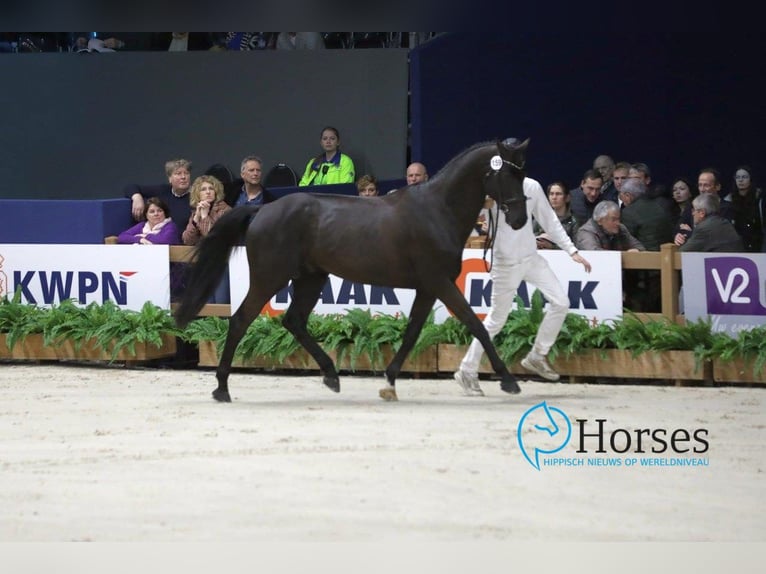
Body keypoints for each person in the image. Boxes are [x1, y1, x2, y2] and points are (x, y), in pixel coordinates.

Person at [453, 145, 592, 396]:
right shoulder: (492, 188)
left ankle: (537, 355)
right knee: (497, 319)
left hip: (531, 258)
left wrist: (572, 251)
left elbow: (549, 221)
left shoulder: (532, 187)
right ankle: (466, 369)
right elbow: (467, 206)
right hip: (505, 263)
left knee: (561, 302)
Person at [182, 175, 232, 303]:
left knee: (220, 303)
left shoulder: (225, 211)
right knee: (205, 305)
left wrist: (204, 217)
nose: (208, 192)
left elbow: (213, 239)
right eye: (203, 189)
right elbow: (187, 240)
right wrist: (196, 219)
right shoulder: (195, 212)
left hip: (221, 264)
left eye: (211, 188)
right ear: (198, 194)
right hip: (202, 265)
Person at [123, 159, 193, 227]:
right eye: (178, 174)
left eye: (186, 173)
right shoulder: (164, 190)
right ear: (170, 178)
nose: (183, 177)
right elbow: (130, 187)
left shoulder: (196, 195)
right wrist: (137, 198)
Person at [575, 201, 645, 252]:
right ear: (600, 221)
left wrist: (636, 250)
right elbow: (594, 254)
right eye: (614, 219)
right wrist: (622, 255)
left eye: (618, 219)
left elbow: (640, 247)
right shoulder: (586, 232)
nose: (618, 223)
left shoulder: (621, 228)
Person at [722, 165, 762, 252]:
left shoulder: (760, 199)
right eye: (738, 177)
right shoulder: (728, 201)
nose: (740, 180)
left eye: (744, 177)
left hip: (758, 243)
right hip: (737, 245)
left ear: (750, 179)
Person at [534, 181, 578, 248]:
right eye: (551, 194)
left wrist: (552, 247)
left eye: (558, 194)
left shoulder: (574, 222)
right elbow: (527, 238)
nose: (554, 197)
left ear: (567, 198)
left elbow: (577, 247)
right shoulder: (540, 218)